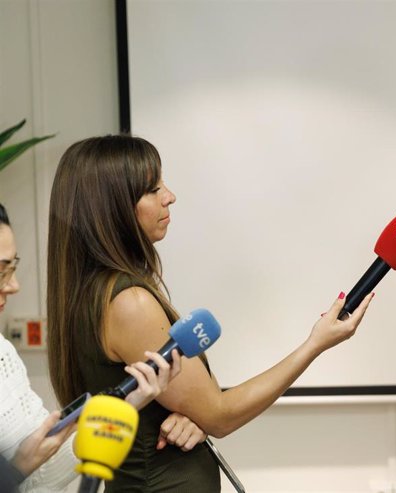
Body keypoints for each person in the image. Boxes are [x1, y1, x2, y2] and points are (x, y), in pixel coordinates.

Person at [46, 134, 373, 492]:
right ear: (113, 208)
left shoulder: (93, 293)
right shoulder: (129, 303)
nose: (169, 196)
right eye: (153, 189)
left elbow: (199, 408)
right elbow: (221, 414)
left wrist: (194, 415)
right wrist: (314, 344)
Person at [0, 202, 184, 492]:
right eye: (1, 271)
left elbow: (38, 477)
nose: (13, 286)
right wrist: (16, 469)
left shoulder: (3, 355)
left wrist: (124, 406)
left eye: (13, 267)